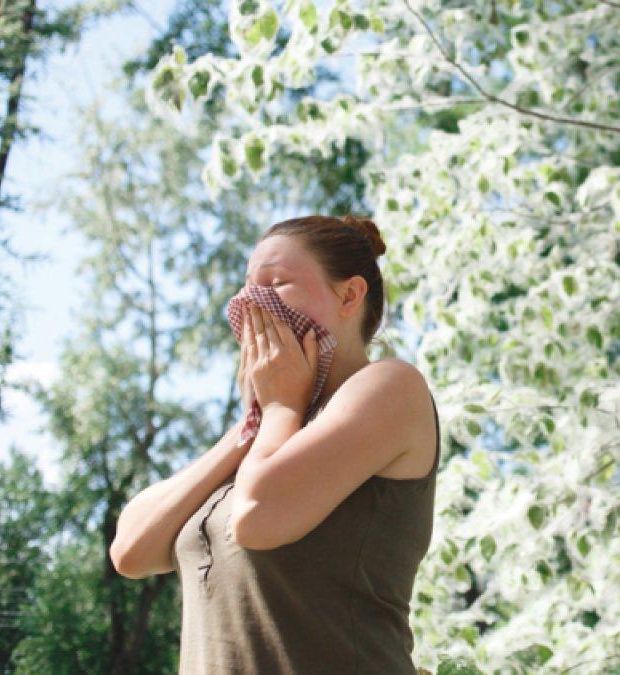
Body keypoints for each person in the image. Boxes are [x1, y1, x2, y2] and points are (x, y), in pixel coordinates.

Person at [109, 214, 440, 673]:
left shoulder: (390, 387)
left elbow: (257, 517)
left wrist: (281, 406)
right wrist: (251, 425)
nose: (252, 303)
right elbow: (130, 551)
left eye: (277, 283)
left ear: (349, 296)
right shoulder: (266, 435)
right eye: (248, 287)